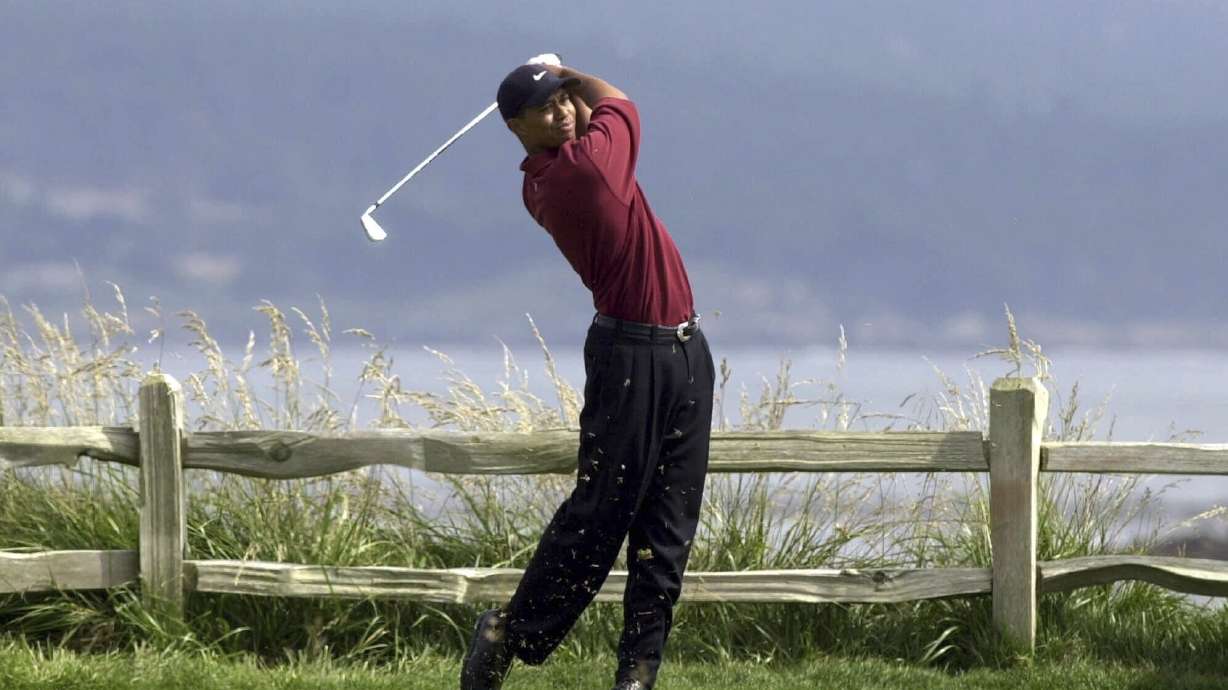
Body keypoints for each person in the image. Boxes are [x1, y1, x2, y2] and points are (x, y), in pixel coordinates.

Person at [460, 55, 716, 690]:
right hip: (632, 355)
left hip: (684, 349)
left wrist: (561, 82)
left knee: (670, 518)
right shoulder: (584, 171)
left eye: (566, 99)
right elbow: (620, 101)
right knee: (603, 512)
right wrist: (569, 69)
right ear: (517, 128)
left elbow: (601, 109)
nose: (565, 111)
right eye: (547, 107)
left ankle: (637, 672)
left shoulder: (547, 175)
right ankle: (507, 633)